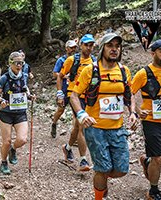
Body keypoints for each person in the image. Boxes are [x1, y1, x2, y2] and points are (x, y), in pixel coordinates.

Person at [70, 33, 137, 200]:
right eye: (110, 45)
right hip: (96, 129)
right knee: (102, 168)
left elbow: (130, 95)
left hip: (117, 128)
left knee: (122, 169)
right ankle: (99, 195)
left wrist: (133, 112)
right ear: (103, 49)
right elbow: (74, 95)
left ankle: (101, 177)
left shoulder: (124, 71)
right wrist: (81, 114)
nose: (114, 49)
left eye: (117, 46)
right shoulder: (90, 70)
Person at [131, 39, 161, 200]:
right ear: (153, 53)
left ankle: (147, 162)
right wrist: (137, 110)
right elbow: (128, 93)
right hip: (152, 121)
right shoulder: (143, 73)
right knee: (159, 158)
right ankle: (153, 191)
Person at [57, 34, 97, 171]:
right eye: (86, 44)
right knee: (82, 126)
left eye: (91, 45)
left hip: (89, 97)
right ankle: (83, 160)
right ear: (81, 45)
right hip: (74, 96)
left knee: (76, 126)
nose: (89, 47)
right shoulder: (72, 60)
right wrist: (59, 93)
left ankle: (67, 148)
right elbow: (60, 76)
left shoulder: (95, 62)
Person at [0, 51, 35, 175]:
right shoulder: (4, 78)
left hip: (20, 112)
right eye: (17, 63)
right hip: (6, 113)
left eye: (21, 63)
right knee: (6, 141)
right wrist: (1, 100)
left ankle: (13, 149)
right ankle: (3, 162)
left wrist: (30, 96)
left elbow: (25, 90)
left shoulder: (24, 76)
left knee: (22, 139)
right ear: (10, 63)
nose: (19, 65)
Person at [51, 40, 77, 138]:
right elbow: (54, 74)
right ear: (66, 48)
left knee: (76, 113)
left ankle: (74, 137)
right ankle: (54, 123)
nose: (73, 49)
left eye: (74, 47)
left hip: (74, 90)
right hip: (64, 89)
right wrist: (65, 76)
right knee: (60, 110)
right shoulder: (61, 60)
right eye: (71, 47)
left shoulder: (78, 60)